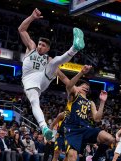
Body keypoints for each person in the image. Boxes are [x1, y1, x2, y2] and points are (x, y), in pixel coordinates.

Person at [18, 8, 85, 140]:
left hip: (42, 80)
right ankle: (44, 128)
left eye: (43, 45)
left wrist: (74, 87)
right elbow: (21, 29)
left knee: (54, 63)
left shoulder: (48, 58)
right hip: (29, 80)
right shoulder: (31, 47)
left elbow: (63, 76)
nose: (40, 46)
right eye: (39, 44)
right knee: (34, 101)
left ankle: (75, 48)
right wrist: (32, 17)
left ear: (48, 48)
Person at [58, 65, 115, 161]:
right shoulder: (74, 95)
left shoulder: (90, 102)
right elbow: (67, 83)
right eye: (83, 86)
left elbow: (97, 119)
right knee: (71, 157)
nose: (86, 87)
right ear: (77, 87)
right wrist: (81, 73)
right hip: (72, 129)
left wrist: (102, 102)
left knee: (109, 139)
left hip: (85, 129)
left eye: (87, 88)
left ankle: (94, 159)